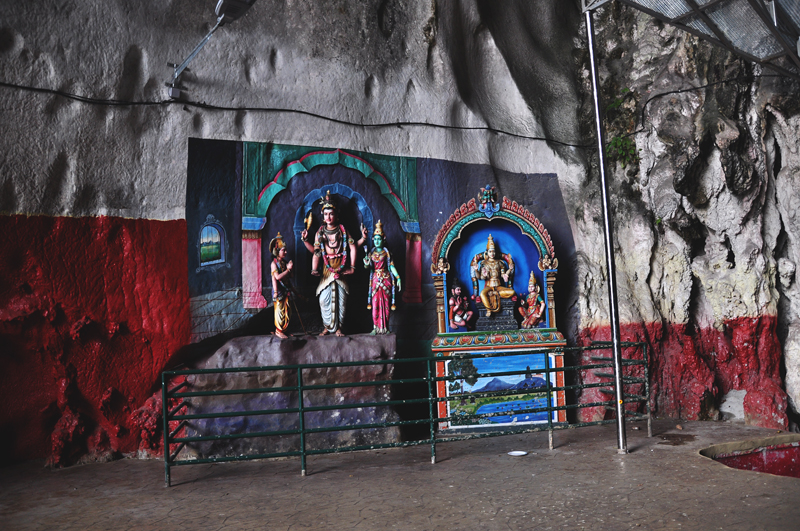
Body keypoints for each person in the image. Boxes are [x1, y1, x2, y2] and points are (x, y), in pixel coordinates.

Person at [301, 191, 367, 336]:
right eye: (325, 214)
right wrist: (306, 241)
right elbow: (317, 252)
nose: (328, 217)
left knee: (341, 300)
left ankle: (338, 328)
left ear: (337, 215)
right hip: (326, 270)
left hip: (341, 268)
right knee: (324, 300)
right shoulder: (320, 232)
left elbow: (352, 246)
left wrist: (352, 267)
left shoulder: (343, 231)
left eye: (331, 214)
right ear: (322, 216)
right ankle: (327, 326)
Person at [363, 220, 402, 334]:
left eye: (379, 239)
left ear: (383, 239)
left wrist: (398, 277)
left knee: (386, 305)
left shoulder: (387, 253)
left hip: (386, 280)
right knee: (375, 304)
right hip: (375, 280)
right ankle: (375, 327)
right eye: (375, 239)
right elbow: (368, 267)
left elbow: (391, 267)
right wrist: (365, 263)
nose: (377, 241)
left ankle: (385, 327)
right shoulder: (371, 253)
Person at [472, 234, 515, 314]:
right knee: (482, 294)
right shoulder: (483, 263)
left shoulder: (500, 263)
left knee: (512, 292)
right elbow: (480, 277)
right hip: (489, 287)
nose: (492, 253)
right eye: (490, 251)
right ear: (487, 252)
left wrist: (508, 271)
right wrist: (476, 270)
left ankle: (496, 293)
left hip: (498, 287)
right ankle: (489, 309)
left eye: (493, 251)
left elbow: (503, 274)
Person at [269, 233, 294, 338]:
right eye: (283, 250)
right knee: (280, 311)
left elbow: (290, 276)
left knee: (287, 311)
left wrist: (290, 270)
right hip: (278, 291)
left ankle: (284, 329)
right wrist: (288, 269)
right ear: (277, 251)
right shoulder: (273, 264)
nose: (286, 252)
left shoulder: (284, 262)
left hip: (286, 290)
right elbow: (277, 277)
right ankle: (279, 331)